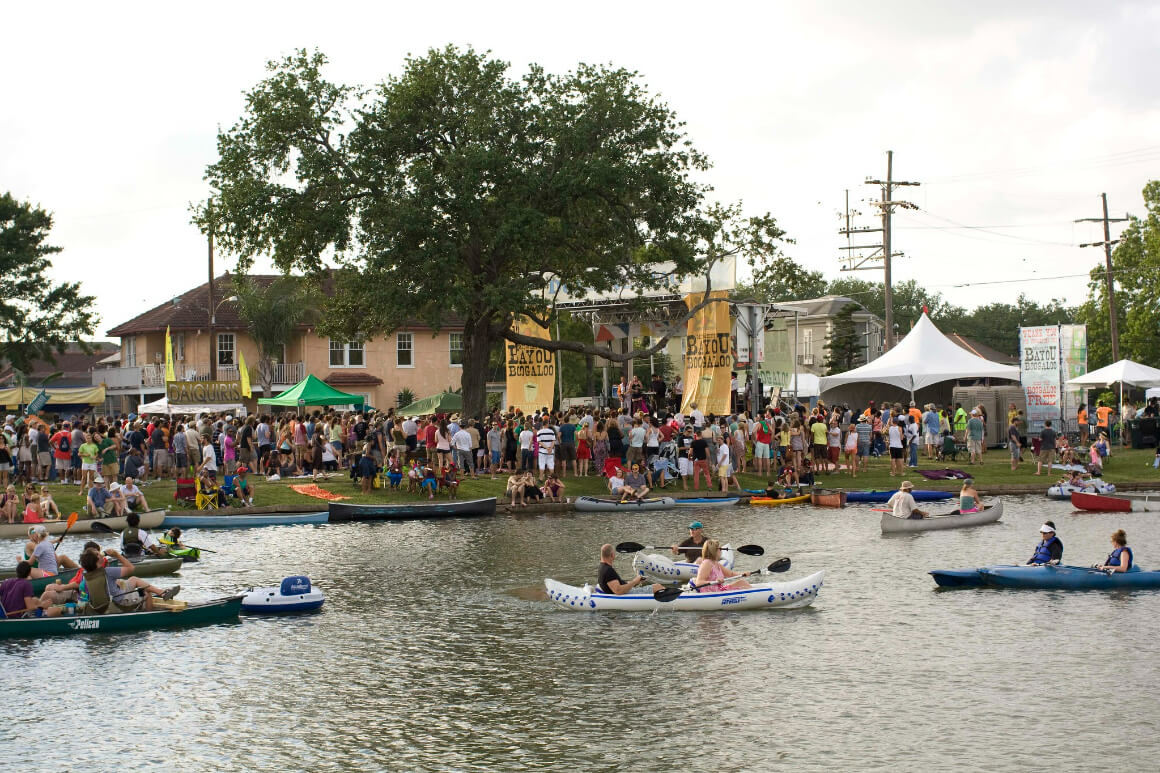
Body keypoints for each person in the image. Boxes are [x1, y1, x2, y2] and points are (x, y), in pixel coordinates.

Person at [75, 547, 179, 614]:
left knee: (133, 580)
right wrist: (117, 555)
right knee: (146, 593)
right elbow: (131, 568)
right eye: (98, 553)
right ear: (97, 559)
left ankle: (161, 593)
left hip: (103, 604)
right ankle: (149, 616)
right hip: (119, 602)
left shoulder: (87, 576)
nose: (101, 554)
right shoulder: (107, 571)